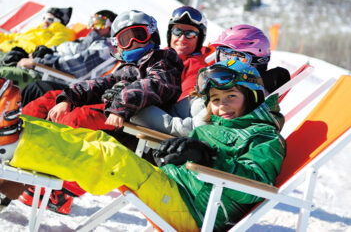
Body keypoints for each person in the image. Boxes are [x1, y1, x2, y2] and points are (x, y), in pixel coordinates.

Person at [0, 59, 286, 231]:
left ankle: (16, 144)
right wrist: (185, 151)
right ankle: (17, 131)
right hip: (176, 187)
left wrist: (207, 158)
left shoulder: (265, 137)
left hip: (196, 211)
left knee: (112, 157)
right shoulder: (221, 125)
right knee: (98, 140)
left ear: (251, 97)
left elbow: (255, 182)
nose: (222, 106)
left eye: (231, 97)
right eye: (216, 100)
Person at [18, 9, 183, 213]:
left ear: (152, 35)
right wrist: (68, 97)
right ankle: (15, 135)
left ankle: (60, 188)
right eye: (125, 39)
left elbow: (155, 85)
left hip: (135, 122)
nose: (133, 44)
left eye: (138, 36)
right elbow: (100, 83)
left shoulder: (164, 61)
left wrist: (121, 104)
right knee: (51, 99)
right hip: (116, 112)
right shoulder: (129, 67)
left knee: (78, 120)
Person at [133, 23, 290, 137]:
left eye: (235, 58)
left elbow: (189, 129)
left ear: (257, 61)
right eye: (222, 54)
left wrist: (138, 111)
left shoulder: (239, 100)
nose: (224, 62)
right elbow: (181, 110)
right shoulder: (223, 86)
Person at [131, 5, 211, 135]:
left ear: (200, 38)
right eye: (177, 31)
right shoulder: (152, 56)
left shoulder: (200, 68)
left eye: (190, 34)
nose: (182, 39)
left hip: (164, 126)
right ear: (170, 34)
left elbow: (180, 105)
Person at [18, 10, 117, 107]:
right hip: (53, 73)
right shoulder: (87, 40)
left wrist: (38, 62)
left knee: (35, 88)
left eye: (100, 23)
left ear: (111, 27)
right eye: (93, 21)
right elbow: (65, 48)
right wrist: (44, 53)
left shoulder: (105, 47)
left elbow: (78, 64)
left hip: (71, 85)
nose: (94, 27)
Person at [0, 7, 75, 89]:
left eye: (50, 19)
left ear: (59, 22)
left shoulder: (63, 33)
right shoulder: (36, 29)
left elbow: (46, 50)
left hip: (21, 61)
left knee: (2, 74)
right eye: (44, 17)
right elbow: (13, 37)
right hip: (5, 52)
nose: (45, 21)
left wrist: (16, 48)